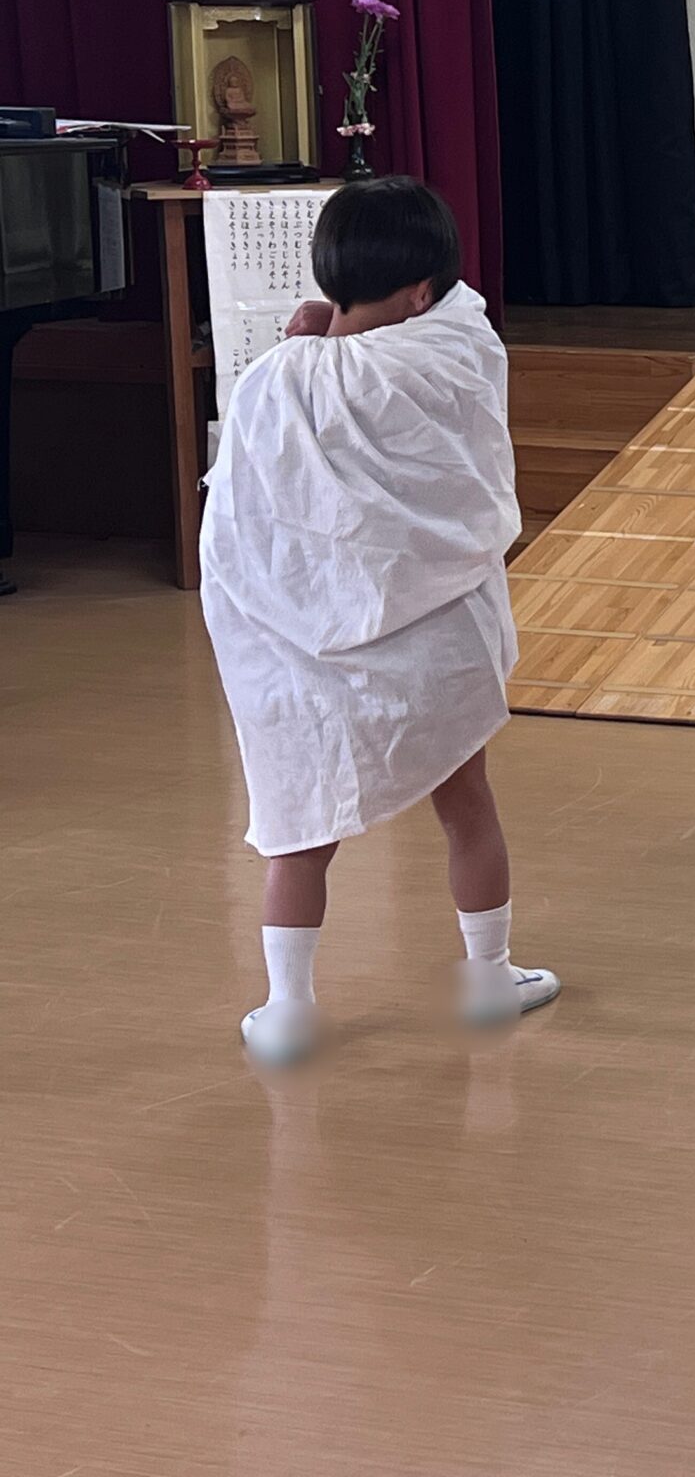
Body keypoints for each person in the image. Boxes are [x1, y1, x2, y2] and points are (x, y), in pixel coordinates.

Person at [200, 177, 558, 1066]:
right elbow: (459, 323)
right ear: (423, 291)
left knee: (299, 832)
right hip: (433, 643)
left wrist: (310, 336)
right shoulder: (458, 353)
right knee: (466, 803)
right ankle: (490, 977)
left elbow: (244, 520)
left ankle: (288, 1009)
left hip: (301, 654)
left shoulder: (274, 379)